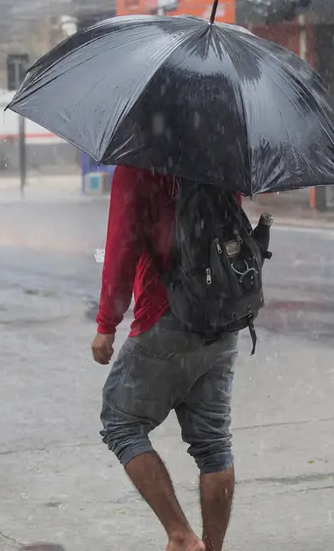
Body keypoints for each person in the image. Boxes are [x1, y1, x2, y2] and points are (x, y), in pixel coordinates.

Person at [92, 165, 240, 551]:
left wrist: (107, 322)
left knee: (120, 422)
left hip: (166, 312)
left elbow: (122, 243)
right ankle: (211, 546)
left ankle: (180, 535)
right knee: (213, 444)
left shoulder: (140, 158)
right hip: (223, 314)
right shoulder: (222, 149)